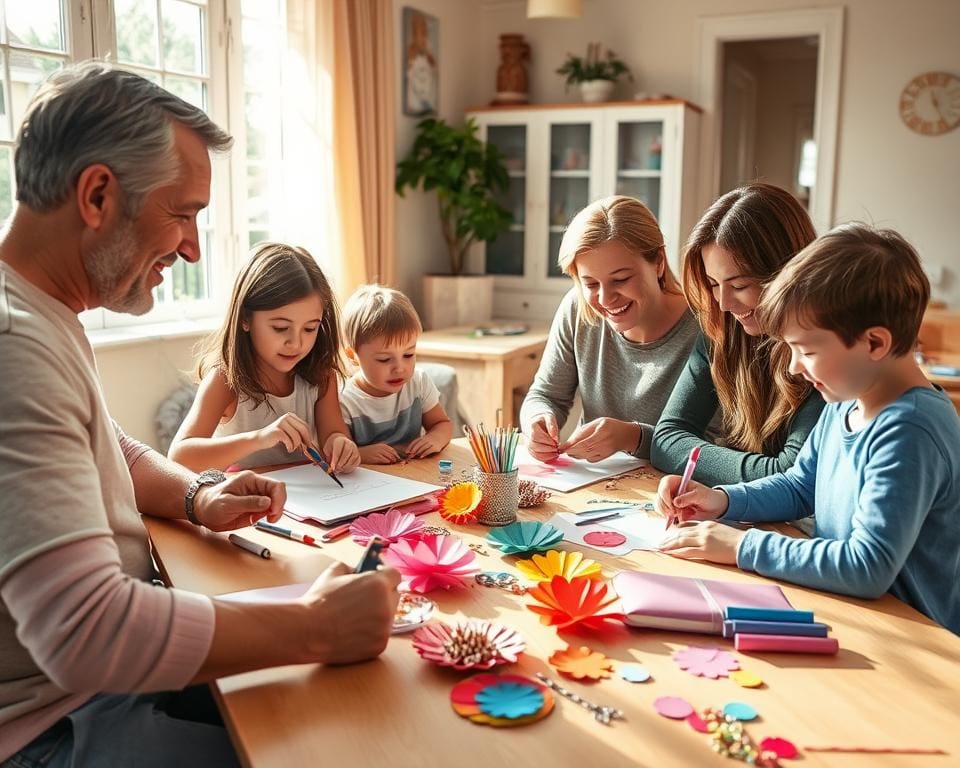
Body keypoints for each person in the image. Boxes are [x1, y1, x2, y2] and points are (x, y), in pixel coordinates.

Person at [0, 62, 400, 767]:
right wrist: (314, 629)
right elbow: (87, 633)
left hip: (91, 692)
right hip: (57, 726)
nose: (190, 247)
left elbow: (115, 451)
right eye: (181, 213)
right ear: (97, 195)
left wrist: (197, 496)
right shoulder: (16, 348)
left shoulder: (42, 315)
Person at [656, 224, 960, 634]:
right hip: (857, 616)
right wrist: (720, 500)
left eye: (807, 350)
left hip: (913, 636)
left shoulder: (910, 429)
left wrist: (742, 546)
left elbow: (866, 566)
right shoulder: (847, 400)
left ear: (874, 343)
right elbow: (800, 486)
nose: (795, 367)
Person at [651, 182, 825, 486]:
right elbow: (666, 440)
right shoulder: (722, 332)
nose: (724, 303)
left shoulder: (823, 351)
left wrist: (703, 460)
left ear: (788, 273)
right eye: (714, 284)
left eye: (740, 286)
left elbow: (791, 475)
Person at [519, 195, 699, 463]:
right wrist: (537, 419)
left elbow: (713, 443)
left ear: (658, 263)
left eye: (620, 279)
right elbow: (545, 395)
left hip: (675, 492)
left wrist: (632, 437)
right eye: (590, 284)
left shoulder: (705, 328)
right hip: (593, 488)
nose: (605, 299)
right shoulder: (577, 309)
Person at [168, 243, 361, 474]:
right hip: (246, 502)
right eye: (280, 328)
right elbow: (179, 458)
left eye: (310, 329)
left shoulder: (321, 375)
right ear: (245, 319)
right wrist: (261, 438)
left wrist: (340, 444)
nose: (296, 343)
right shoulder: (225, 380)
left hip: (312, 504)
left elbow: (334, 434)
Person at [339, 284, 453, 464]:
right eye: (384, 359)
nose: (400, 368)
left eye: (408, 355)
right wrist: (362, 454)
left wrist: (435, 439)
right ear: (353, 355)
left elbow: (442, 424)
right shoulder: (344, 400)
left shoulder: (419, 382)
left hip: (415, 475)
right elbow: (338, 454)